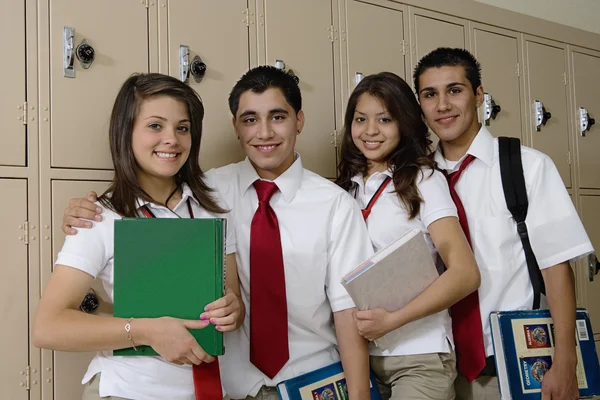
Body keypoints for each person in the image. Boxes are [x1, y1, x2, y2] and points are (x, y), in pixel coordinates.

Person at [61, 66, 374, 400]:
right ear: (235, 126)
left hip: (311, 379)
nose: (264, 132)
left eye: (278, 117)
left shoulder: (335, 204)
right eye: (250, 119)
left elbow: (347, 314)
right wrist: (85, 210)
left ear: (299, 120)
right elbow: (146, 194)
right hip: (230, 386)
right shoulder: (207, 192)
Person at [33, 73, 243, 400]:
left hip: (208, 389)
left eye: (182, 128)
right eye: (155, 126)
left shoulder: (213, 211)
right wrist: (146, 331)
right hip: (130, 390)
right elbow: (49, 327)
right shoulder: (100, 217)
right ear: (125, 132)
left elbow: (233, 300)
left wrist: (233, 309)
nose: (171, 139)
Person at [413, 47, 594, 400]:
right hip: (436, 367)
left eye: (455, 90)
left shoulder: (526, 166)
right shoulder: (416, 179)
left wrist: (565, 360)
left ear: (479, 95)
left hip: (511, 365)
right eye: (429, 94)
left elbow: (556, 268)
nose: (442, 105)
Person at [335, 71, 480, 400]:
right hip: (355, 358)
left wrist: (392, 321)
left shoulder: (423, 179)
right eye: (361, 119)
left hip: (420, 356)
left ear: (404, 122)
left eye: (384, 119)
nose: (370, 131)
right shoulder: (343, 189)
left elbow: (465, 273)